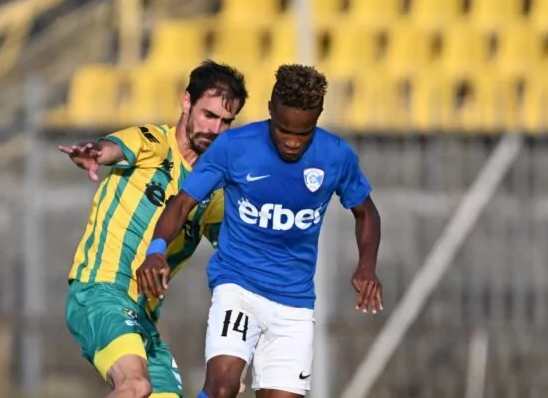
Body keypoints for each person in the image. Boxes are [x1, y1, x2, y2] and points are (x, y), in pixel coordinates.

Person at [137, 64, 383, 398]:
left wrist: (366, 266)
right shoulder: (235, 147)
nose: (292, 143)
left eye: (303, 134)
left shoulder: (335, 156)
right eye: (283, 130)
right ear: (270, 110)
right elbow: (182, 203)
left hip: (294, 303)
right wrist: (156, 251)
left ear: (317, 119)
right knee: (222, 386)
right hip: (238, 286)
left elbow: (366, 212)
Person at [60, 60, 248, 398]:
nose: (215, 129)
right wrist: (95, 153)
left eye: (226, 121)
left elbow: (240, 255)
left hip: (142, 319)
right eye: (209, 115)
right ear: (186, 102)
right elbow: (113, 148)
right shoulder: (153, 143)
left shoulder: (214, 191)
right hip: (101, 291)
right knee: (135, 386)